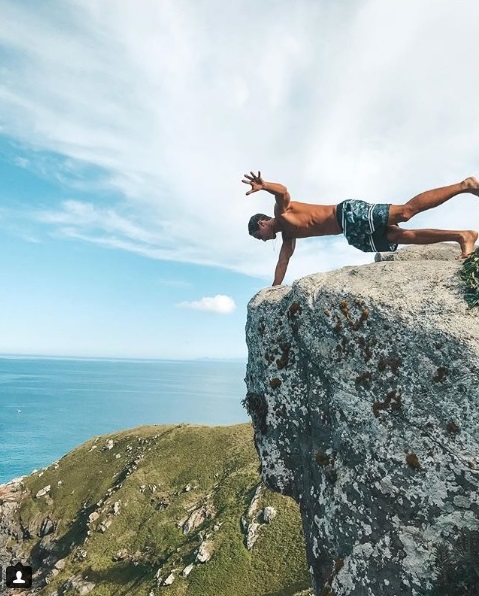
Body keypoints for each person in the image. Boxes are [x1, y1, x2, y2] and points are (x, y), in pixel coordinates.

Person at [244, 171, 479, 286]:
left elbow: (283, 192)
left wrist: (264, 186)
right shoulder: (288, 237)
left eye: (259, 236)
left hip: (348, 214)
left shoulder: (281, 214)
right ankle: (462, 236)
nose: (263, 240)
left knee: (405, 212)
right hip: (352, 233)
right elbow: (283, 262)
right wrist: (273, 291)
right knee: (404, 236)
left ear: (262, 223)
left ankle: (464, 185)